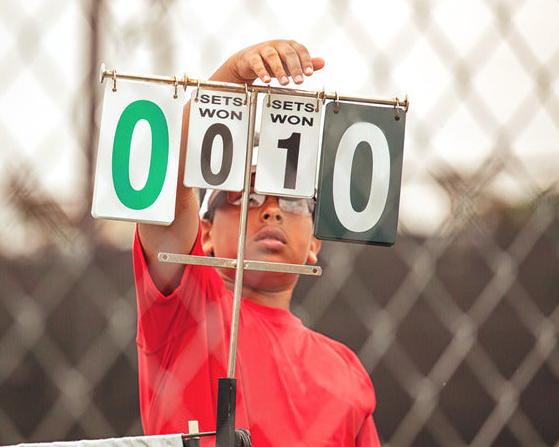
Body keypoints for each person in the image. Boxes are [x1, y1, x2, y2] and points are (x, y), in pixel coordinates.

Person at [133, 40, 379, 445]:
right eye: (245, 197)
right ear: (206, 232)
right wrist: (231, 79)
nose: (270, 210)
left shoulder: (346, 369)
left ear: (315, 242)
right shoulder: (188, 310)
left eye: (292, 200)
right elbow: (164, 197)